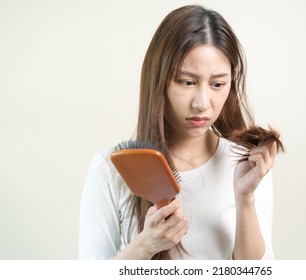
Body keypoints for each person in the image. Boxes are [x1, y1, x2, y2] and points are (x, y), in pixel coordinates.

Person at [79, 4, 283, 260]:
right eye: (187, 82)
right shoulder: (111, 169)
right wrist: (144, 245)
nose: (202, 102)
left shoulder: (247, 164)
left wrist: (245, 199)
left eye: (218, 84)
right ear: (159, 79)